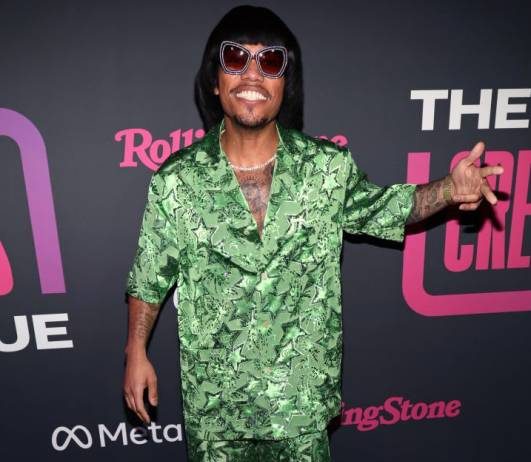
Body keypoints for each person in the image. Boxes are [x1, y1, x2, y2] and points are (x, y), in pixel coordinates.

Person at [122, 5, 503, 461]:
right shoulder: (176, 181)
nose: (252, 74)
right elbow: (149, 277)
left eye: (270, 62)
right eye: (236, 58)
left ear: (286, 84)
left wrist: (449, 188)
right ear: (214, 80)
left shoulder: (327, 168)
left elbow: (387, 207)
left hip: (300, 406)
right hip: (217, 410)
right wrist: (136, 352)